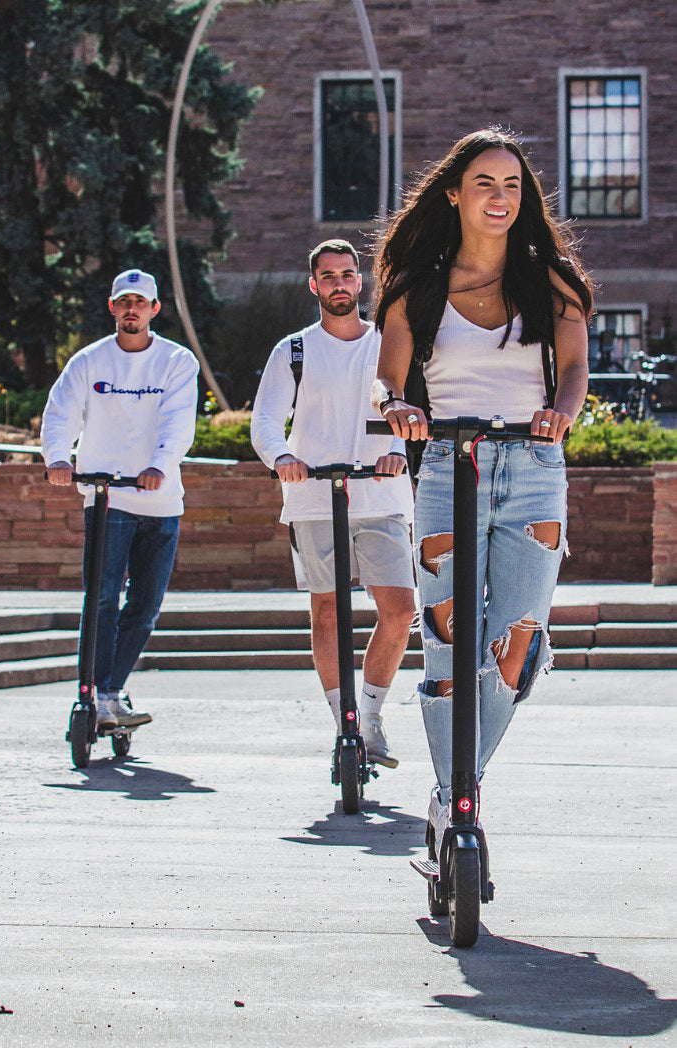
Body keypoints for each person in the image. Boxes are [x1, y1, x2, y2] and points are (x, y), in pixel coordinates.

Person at [370, 129, 594, 851]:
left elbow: (574, 367)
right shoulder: (418, 284)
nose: (501, 199)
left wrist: (563, 410)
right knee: (446, 644)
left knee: (516, 644)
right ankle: (454, 804)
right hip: (445, 468)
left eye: (513, 186)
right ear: (455, 194)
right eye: (486, 184)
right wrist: (398, 406)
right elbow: (389, 376)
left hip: (533, 472)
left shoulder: (549, 278)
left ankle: (457, 794)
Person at [251, 240, 415, 768]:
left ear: (360, 282)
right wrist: (281, 456)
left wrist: (394, 451)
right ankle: (343, 721)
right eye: (329, 276)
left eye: (347, 274)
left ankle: (369, 714)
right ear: (314, 285)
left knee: (400, 611)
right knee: (326, 609)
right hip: (313, 496)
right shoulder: (293, 350)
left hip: (381, 493)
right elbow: (266, 422)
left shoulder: (388, 344)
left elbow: (411, 411)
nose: (339, 283)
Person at [42, 269, 199, 730]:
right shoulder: (89, 362)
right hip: (107, 497)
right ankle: (92, 695)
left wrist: (159, 465)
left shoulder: (176, 361)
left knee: (145, 604)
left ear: (155, 309)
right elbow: (61, 412)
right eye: (123, 302)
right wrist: (57, 457)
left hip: (160, 500)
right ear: (112, 308)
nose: (132, 309)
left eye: (141, 302)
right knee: (102, 599)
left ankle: (111, 690)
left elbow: (177, 421)